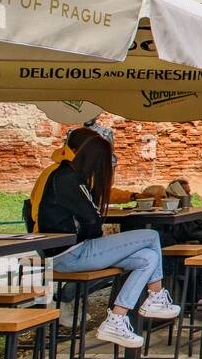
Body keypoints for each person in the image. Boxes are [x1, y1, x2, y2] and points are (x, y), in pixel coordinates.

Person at [40, 133, 181, 348]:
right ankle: (156, 295)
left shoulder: (68, 177)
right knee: (152, 236)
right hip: (71, 253)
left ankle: (117, 318)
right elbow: (93, 221)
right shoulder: (69, 179)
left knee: (148, 257)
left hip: (70, 251)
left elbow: (90, 219)